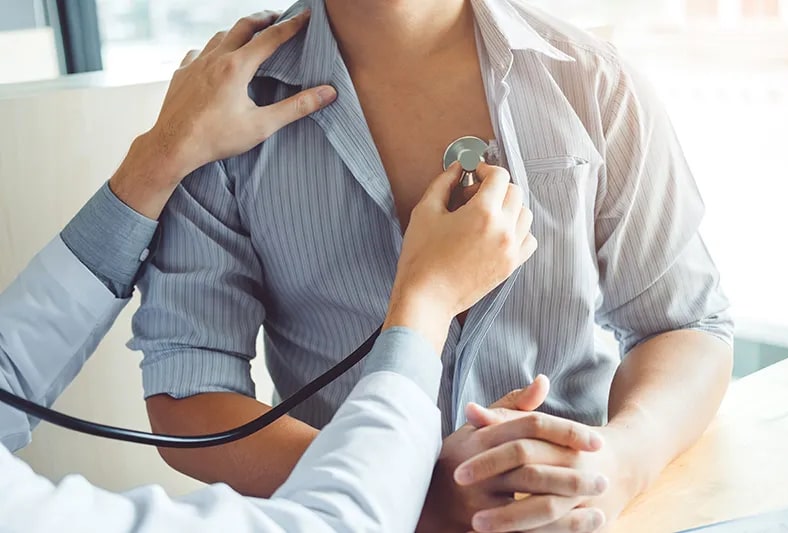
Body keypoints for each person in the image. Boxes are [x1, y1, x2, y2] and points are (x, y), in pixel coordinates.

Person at [131, 1, 735, 532]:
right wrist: (406, 493)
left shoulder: (594, 83)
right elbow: (189, 391)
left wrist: (620, 462)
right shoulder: (223, 108)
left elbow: (686, 324)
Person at [0, 12, 583, 532]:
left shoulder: (587, 77)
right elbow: (339, 520)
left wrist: (160, 155)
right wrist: (425, 302)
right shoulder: (245, 129)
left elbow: (7, 371)